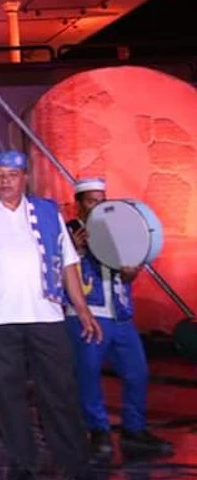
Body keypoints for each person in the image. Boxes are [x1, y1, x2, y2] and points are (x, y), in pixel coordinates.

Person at [0, 151, 101, 480]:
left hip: (46, 315)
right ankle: (22, 463)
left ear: (25, 178)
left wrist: (82, 308)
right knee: (8, 395)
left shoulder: (48, 212)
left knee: (59, 390)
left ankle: (74, 462)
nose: (5, 181)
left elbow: (68, 262)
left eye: (12, 175)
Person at [66, 178, 172, 457]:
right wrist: (73, 251)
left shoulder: (115, 228)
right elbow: (54, 273)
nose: (98, 205)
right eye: (92, 201)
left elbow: (125, 273)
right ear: (79, 204)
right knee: (89, 374)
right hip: (88, 315)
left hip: (120, 314)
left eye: (101, 200)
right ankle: (97, 430)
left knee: (137, 372)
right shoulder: (67, 232)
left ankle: (134, 430)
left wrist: (130, 274)